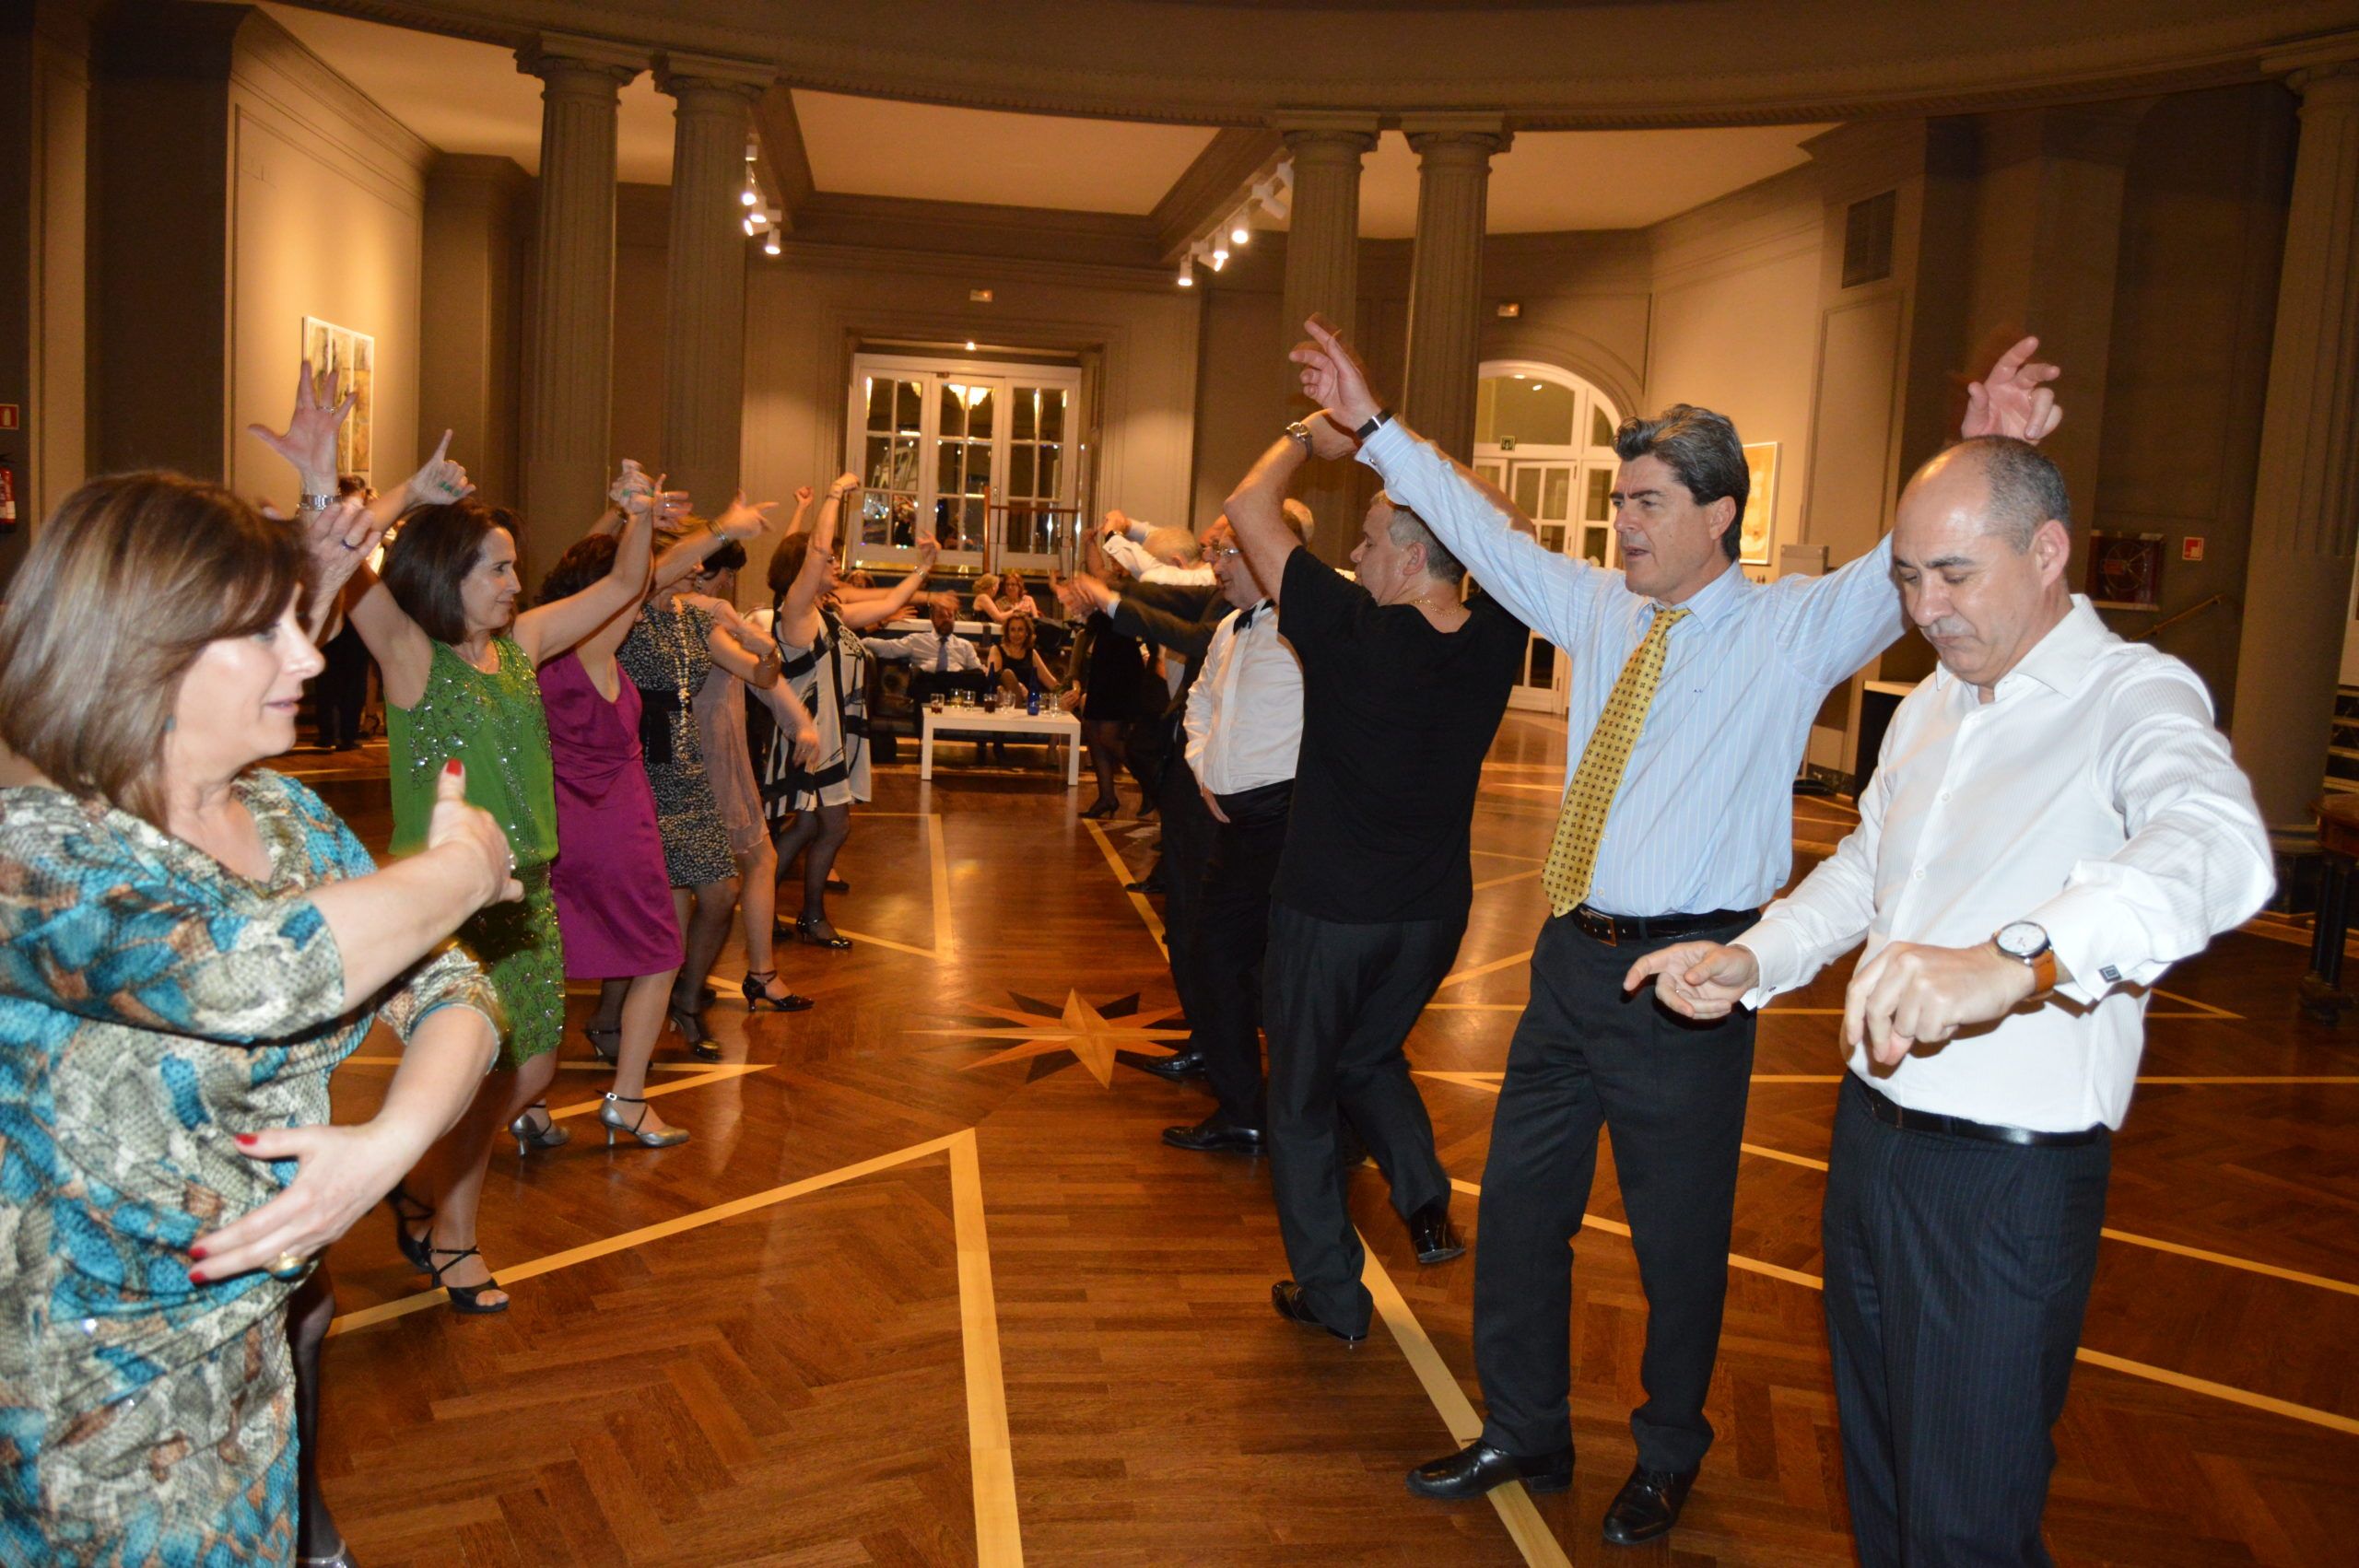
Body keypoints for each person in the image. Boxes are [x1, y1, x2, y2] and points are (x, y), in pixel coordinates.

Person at [1287, 315, 2065, 1543]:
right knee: (1522, 1214)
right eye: (1618, 502)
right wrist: (1375, 427)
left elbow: (1904, 561)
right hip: (1568, 960)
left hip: (1692, 979)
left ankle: (1667, 1451)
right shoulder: (1600, 608)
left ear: (1718, 514)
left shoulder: (1792, 628)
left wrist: (1975, 449)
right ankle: (1525, 1428)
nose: (1623, 524)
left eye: (1646, 501)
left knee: (1678, 1241)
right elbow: (1484, 537)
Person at [1625, 438, 2272, 1568]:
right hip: (1872, 1142)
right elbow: (1865, 869)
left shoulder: (2132, 694)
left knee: (1966, 1520)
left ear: (2047, 552)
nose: (1925, 608)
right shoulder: (1932, 703)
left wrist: (2013, 961)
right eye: (1908, 576)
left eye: (1955, 574)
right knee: (1881, 1482)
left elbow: (2219, 847)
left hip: (2003, 1183)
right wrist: (1753, 958)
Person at [0, 472, 511, 1564]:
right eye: (264, 631)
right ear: (147, 647)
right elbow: (250, 972)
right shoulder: (32, 848)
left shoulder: (284, 813)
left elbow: (457, 991)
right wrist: (462, 868)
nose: (311, 658)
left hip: (248, 1372)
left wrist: (387, 1148)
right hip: (79, 1411)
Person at [261, 369, 758, 1309]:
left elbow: (625, 583)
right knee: (484, 1071)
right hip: (451, 906)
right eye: (496, 568)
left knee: (530, 1070)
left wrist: (637, 516)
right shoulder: (413, 658)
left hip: (529, 893)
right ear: (446, 575)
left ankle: (413, 1191)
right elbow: (344, 569)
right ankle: (452, 1234)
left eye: (514, 569)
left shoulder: (522, 645)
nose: (514, 583)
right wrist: (334, 485)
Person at [1216, 408, 1529, 1352]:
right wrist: (1405, 452)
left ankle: (1332, 1295)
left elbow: (1246, 507)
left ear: (1410, 557)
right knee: (1368, 1055)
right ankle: (1424, 1198)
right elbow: (1509, 519)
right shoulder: (1496, 634)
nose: (1352, 555)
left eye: (1366, 540)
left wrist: (1306, 437)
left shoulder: (1351, 628)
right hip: (1432, 917)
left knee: (1300, 1101)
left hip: (1329, 915)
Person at [535, 532, 695, 1147]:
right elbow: (638, 581)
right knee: (661, 956)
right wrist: (716, 531)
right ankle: (628, 1099)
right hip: (613, 829)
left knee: (550, 963)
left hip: (559, 824)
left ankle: (529, 1104)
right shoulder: (591, 649)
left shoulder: (536, 650)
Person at [1156, 514, 1310, 1150]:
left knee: (1281, 972)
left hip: (1288, 820)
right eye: (1214, 552)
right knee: (1215, 958)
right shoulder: (1229, 626)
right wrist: (1204, 771)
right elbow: (1200, 702)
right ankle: (1246, 1107)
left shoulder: (1308, 627)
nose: (1214, 566)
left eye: (1225, 552)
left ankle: (1299, 1113)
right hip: (1233, 820)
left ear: (1267, 553)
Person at [621, 509, 792, 1053]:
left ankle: (686, 995)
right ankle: (629, 1014)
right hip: (637, 769)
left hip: (688, 771)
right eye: (690, 561)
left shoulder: (694, 621)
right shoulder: (628, 615)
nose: (698, 570)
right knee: (659, 905)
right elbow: (641, 578)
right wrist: (723, 528)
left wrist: (769, 657)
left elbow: (755, 672)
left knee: (722, 893)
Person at [755, 472, 938, 951]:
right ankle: (810, 915)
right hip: (811, 738)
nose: (834, 563)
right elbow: (816, 549)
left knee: (810, 825)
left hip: (834, 737)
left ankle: (766, 909)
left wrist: (924, 567)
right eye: (828, 559)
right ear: (806, 568)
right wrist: (834, 495)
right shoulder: (794, 616)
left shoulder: (828, 615)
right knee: (833, 826)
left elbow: (890, 602)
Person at [1057, 563, 1226, 1075]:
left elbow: (1193, 636)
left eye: (1224, 550)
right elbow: (1167, 597)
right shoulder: (1226, 596)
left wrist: (1108, 599)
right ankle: (1207, 1035)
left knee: (1206, 921)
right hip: (1191, 779)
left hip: (1219, 790)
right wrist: (1106, 589)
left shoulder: (1264, 610)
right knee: (1186, 916)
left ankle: (1218, 1045)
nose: (1215, 562)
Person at [679, 541, 823, 1019]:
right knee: (755, 860)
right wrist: (799, 720)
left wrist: (797, 721)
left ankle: (680, 980)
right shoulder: (708, 614)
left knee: (689, 878)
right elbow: (760, 675)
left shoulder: (670, 612)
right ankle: (757, 974)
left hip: (691, 754)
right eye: (727, 573)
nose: (729, 583)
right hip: (711, 755)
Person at [311, 474, 378, 750]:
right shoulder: (367, 518)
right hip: (358, 605)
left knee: (326, 671)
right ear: (361, 492)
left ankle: (327, 733)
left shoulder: (328, 515)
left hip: (330, 601)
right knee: (355, 675)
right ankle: (348, 735)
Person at [863, 591, 986, 682]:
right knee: (924, 678)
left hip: (955, 690)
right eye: (941, 616)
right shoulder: (916, 641)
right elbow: (887, 648)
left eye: (950, 616)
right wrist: (861, 639)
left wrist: (984, 670)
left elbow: (977, 673)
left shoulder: (965, 646)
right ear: (932, 618)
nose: (946, 620)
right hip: (928, 687)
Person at [1098, 508, 1217, 586]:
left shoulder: (1209, 580)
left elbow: (1152, 572)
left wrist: (1112, 535)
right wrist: (1128, 526)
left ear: (1177, 563)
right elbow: (1171, 541)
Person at [988, 608, 1060, 706]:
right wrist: (1017, 686)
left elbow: (1050, 682)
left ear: (1027, 633)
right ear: (1007, 632)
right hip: (1003, 699)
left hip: (1026, 701)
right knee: (1007, 675)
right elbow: (993, 678)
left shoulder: (1031, 653)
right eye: (1013, 630)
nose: (1016, 634)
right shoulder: (997, 649)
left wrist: (1066, 692)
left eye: (1020, 630)